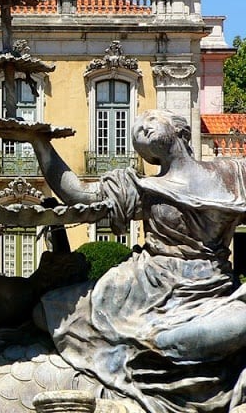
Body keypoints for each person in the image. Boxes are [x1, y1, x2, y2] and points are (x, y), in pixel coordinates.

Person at [25, 109, 246, 412]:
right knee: (44, 311)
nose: (141, 127)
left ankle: (162, 357)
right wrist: (41, 144)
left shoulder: (233, 173)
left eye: (151, 120)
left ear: (180, 130)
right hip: (143, 285)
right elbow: (77, 194)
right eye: (137, 127)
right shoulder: (143, 188)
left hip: (209, 285)